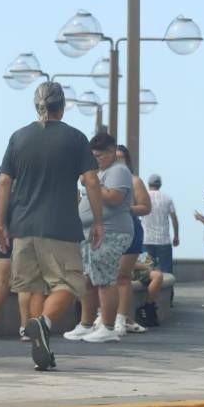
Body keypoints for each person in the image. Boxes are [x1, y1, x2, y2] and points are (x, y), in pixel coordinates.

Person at [0, 82, 103, 370]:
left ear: (37, 106)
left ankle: (39, 346)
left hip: (22, 226)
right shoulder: (75, 138)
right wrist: (98, 221)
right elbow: (91, 181)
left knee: (33, 287)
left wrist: (0, 224)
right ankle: (43, 323)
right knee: (70, 283)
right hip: (60, 227)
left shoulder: (19, 138)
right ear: (62, 107)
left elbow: (4, 182)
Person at [63, 133, 133, 343]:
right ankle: (86, 324)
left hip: (111, 232)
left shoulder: (118, 171)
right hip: (89, 234)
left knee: (104, 280)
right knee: (88, 280)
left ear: (111, 152)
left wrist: (92, 184)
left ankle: (108, 327)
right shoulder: (99, 172)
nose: (95, 160)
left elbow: (115, 198)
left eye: (98, 156)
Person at [0, 170, 44, 342]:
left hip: (2, 227)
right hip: (28, 226)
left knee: (0, 279)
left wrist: (2, 219)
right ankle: (25, 328)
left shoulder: (8, 163)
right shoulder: (39, 164)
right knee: (27, 280)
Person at [113, 144, 151, 335]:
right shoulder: (103, 180)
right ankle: (109, 316)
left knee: (122, 276)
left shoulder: (134, 181)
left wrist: (125, 209)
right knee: (102, 277)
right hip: (107, 231)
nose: (117, 160)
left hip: (130, 230)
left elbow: (146, 207)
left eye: (121, 157)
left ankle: (121, 318)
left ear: (127, 160)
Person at [141, 174, 179, 274]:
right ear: (160, 184)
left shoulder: (143, 197)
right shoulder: (167, 198)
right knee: (167, 272)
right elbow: (174, 219)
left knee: (146, 271)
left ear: (148, 184)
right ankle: (166, 285)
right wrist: (176, 236)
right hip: (164, 241)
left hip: (146, 241)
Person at [132, 254, 165, 327]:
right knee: (157, 276)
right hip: (128, 269)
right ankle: (148, 308)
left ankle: (149, 307)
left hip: (138, 266)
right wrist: (147, 267)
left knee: (158, 274)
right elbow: (128, 263)